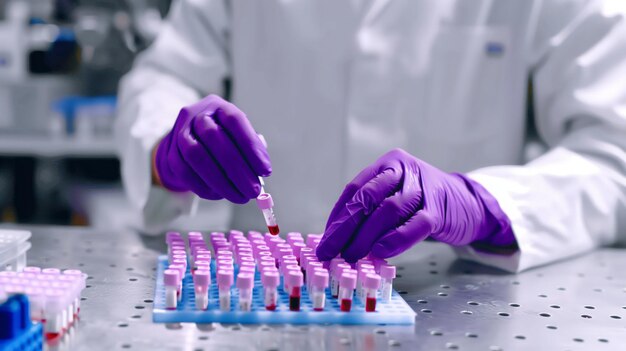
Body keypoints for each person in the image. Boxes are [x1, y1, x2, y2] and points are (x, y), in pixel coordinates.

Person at [115, 0, 626, 272]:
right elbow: (163, 75)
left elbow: (612, 153)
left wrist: (487, 205)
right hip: (262, 299)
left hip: (451, 297)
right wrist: (168, 146)